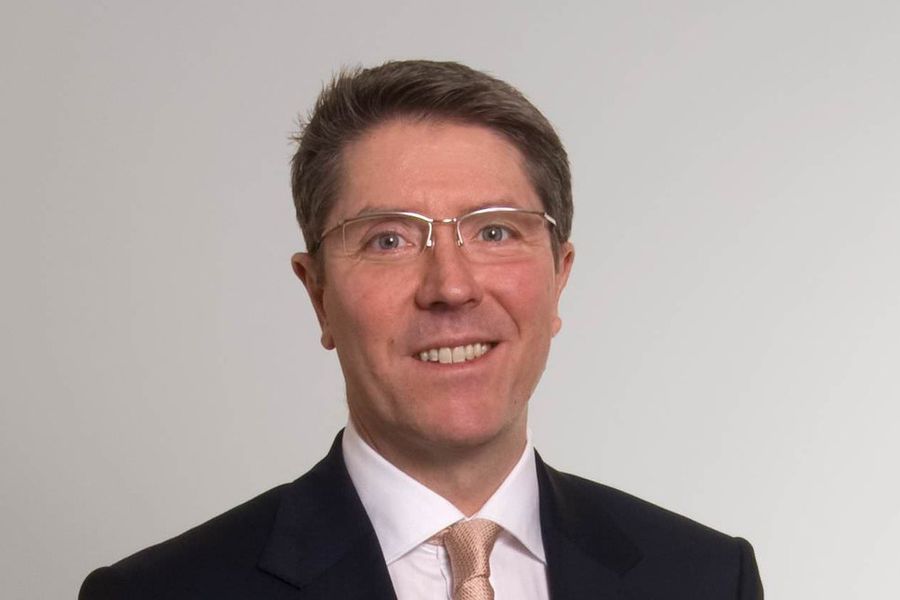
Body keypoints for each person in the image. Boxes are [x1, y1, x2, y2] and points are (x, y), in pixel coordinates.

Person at [80, 60, 763, 599]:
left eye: (495, 231)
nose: (451, 287)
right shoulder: (161, 592)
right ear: (318, 295)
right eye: (389, 240)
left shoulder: (705, 578)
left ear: (559, 274)